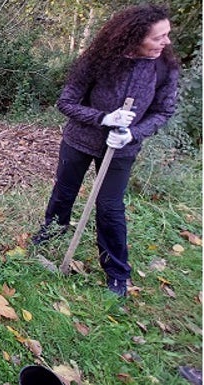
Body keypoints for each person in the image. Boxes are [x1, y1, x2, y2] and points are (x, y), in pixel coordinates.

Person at [30, 4, 179, 297]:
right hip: (79, 141)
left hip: (121, 149)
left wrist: (132, 133)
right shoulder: (98, 61)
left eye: (167, 35)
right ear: (135, 37)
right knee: (64, 192)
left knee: (110, 207)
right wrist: (103, 118)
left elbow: (164, 111)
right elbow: (66, 103)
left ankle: (116, 273)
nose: (166, 42)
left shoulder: (163, 67)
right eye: (158, 37)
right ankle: (50, 238)